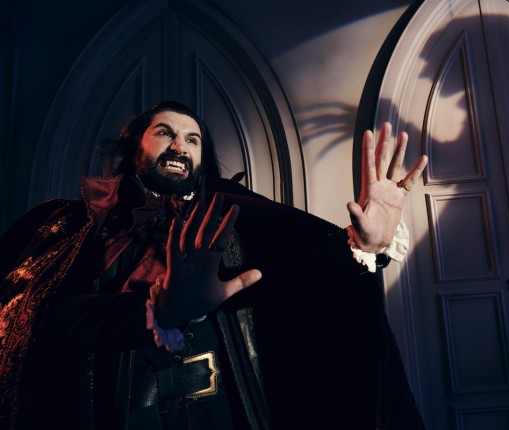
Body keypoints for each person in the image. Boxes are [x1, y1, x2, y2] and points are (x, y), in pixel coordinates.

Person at [0, 101, 427, 429]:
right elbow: (44, 317)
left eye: (192, 139)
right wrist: (155, 311)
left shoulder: (241, 219)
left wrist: (361, 246)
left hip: (224, 412)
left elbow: (300, 274)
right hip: (120, 412)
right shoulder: (77, 225)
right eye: (164, 133)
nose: (178, 146)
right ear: (135, 148)